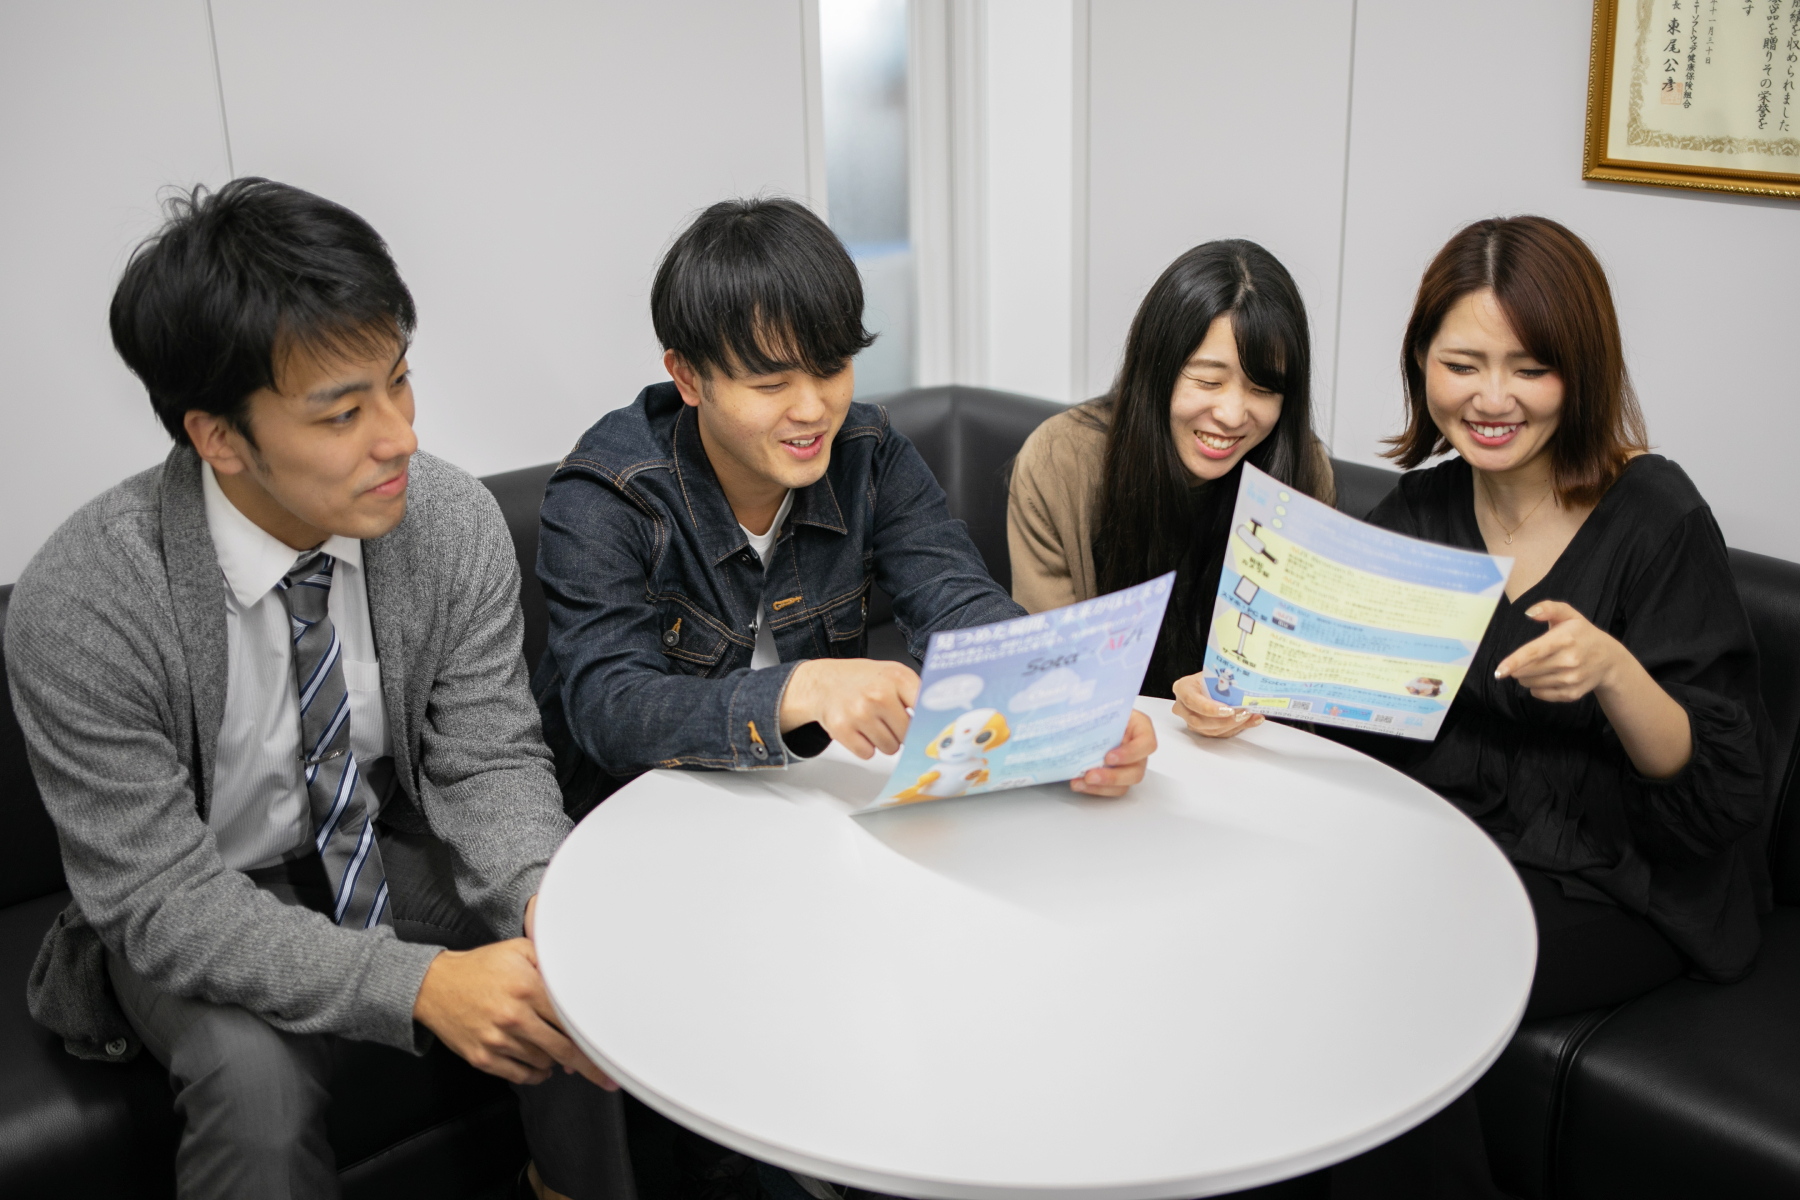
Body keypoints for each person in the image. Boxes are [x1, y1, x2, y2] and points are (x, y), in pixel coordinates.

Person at [5, 179, 623, 1200]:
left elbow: (488, 762)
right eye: (342, 412)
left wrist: (542, 893)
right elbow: (158, 898)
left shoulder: (447, 522)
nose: (400, 436)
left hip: (377, 846)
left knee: (560, 949)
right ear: (219, 438)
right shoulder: (87, 600)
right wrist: (419, 984)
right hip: (196, 890)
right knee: (254, 1087)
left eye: (399, 381)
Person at [1176, 216, 1770, 1198]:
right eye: (1462, 365)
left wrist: (1615, 672)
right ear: (1423, 365)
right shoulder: (1422, 514)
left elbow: (1718, 789)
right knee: (1273, 944)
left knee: (1393, 991)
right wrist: (1242, 696)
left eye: (1530, 368)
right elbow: (1330, 685)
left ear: (1580, 373)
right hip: (1457, 846)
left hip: (1616, 876)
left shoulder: (1655, 515)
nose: (1492, 398)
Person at [532, 196, 1156, 817]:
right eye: (771, 384)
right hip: (640, 822)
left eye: (831, 369)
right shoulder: (606, 494)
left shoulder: (869, 454)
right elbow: (612, 709)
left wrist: (1070, 703)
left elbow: (956, 599)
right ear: (689, 377)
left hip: (806, 802)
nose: (812, 411)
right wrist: (804, 688)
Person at [1007, 238, 1336, 704]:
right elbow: (1052, 677)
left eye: (1263, 389)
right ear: (1155, 371)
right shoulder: (1059, 464)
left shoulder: (1303, 473)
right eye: (1208, 380)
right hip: (1106, 729)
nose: (1232, 414)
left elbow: (1293, 678)